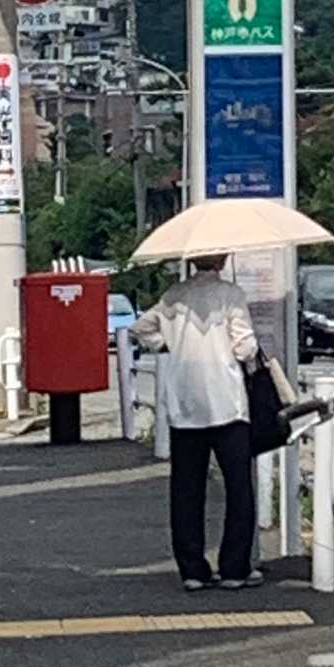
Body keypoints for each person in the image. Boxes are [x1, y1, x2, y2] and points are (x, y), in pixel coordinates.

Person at [131, 253, 261, 593]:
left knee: (186, 490)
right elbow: (245, 348)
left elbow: (141, 328)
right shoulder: (231, 295)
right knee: (238, 488)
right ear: (222, 260)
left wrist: (167, 344)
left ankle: (193, 569)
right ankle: (234, 568)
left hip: (185, 405)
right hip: (227, 404)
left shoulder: (173, 297)